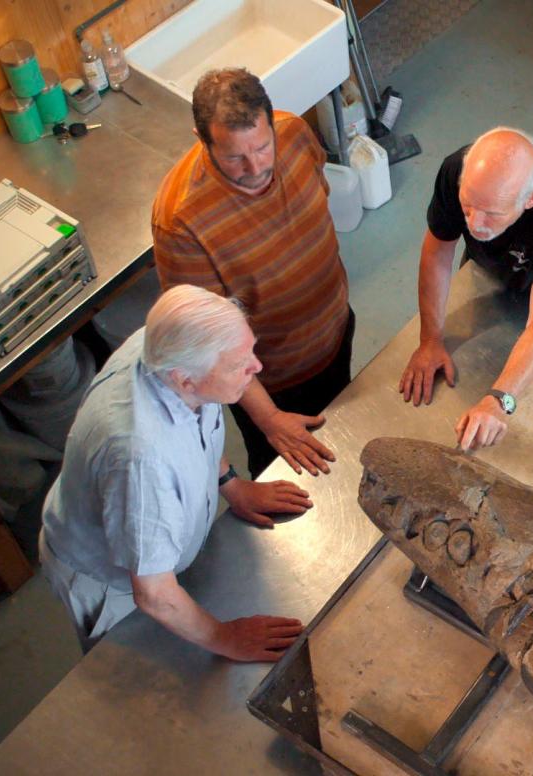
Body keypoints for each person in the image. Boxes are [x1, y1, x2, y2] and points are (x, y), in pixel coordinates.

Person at [39, 285, 312, 659]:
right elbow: (152, 593)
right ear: (184, 379)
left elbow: (195, 429)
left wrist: (230, 485)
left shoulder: (166, 348)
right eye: (239, 364)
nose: (257, 367)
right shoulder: (142, 458)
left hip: (150, 549)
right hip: (112, 581)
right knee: (137, 670)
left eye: (250, 349)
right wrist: (225, 638)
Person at [152, 68, 352, 478]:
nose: (256, 166)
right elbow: (207, 341)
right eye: (234, 157)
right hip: (272, 382)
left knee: (346, 437)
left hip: (336, 332)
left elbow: (319, 196)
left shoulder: (294, 132)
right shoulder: (181, 220)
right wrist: (270, 419)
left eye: (262, 147)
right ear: (202, 140)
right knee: (290, 473)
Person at [399, 127, 533, 450]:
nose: (475, 224)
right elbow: (438, 250)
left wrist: (500, 401)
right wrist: (429, 340)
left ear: (531, 200)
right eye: (468, 206)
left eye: (492, 213)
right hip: (491, 269)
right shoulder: (457, 170)